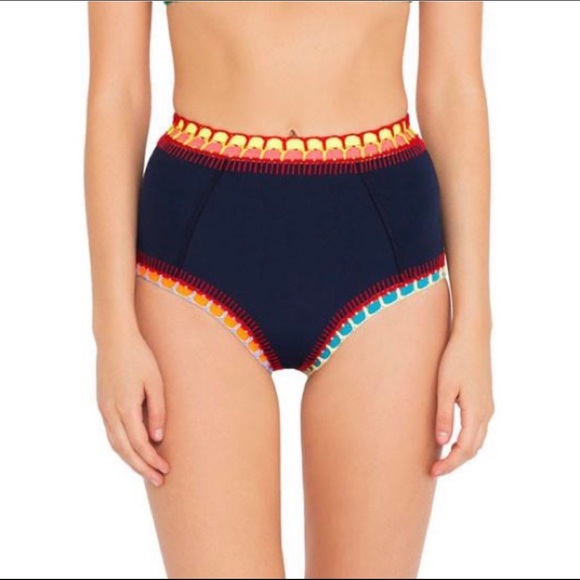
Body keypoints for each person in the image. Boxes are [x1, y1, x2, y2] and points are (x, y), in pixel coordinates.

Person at [84, 1, 494, 577]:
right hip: (195, 263)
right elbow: (117, 93)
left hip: (387, 261)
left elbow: (455, 87)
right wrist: (112, 329)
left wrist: (475, 325)